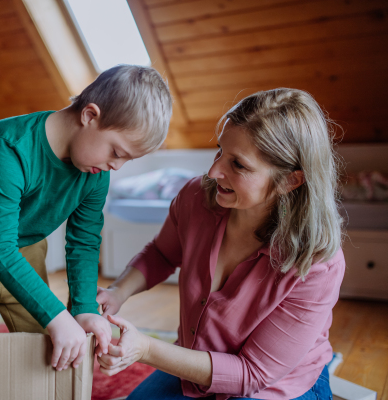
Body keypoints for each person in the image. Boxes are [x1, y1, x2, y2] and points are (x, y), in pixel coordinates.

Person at [0, 65, 174, 372]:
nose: (117, 167)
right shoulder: (9, 144)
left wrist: (82, 309)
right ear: (89, 116)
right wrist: (56, 315)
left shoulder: (97, 172)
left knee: (59, 350)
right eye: (117, 153)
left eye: (127, 160)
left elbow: (83, 242)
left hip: (22, 252)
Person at [96, 88, 344, 399]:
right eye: (219, 151)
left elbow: (252, 373)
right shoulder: (196, 197)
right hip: (194, 360)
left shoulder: (318, 263)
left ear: (290, 181)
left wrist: (145, 349)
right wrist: (118, 292)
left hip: (276, 385)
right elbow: (161, 253)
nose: (214, 172)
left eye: (238, 165)